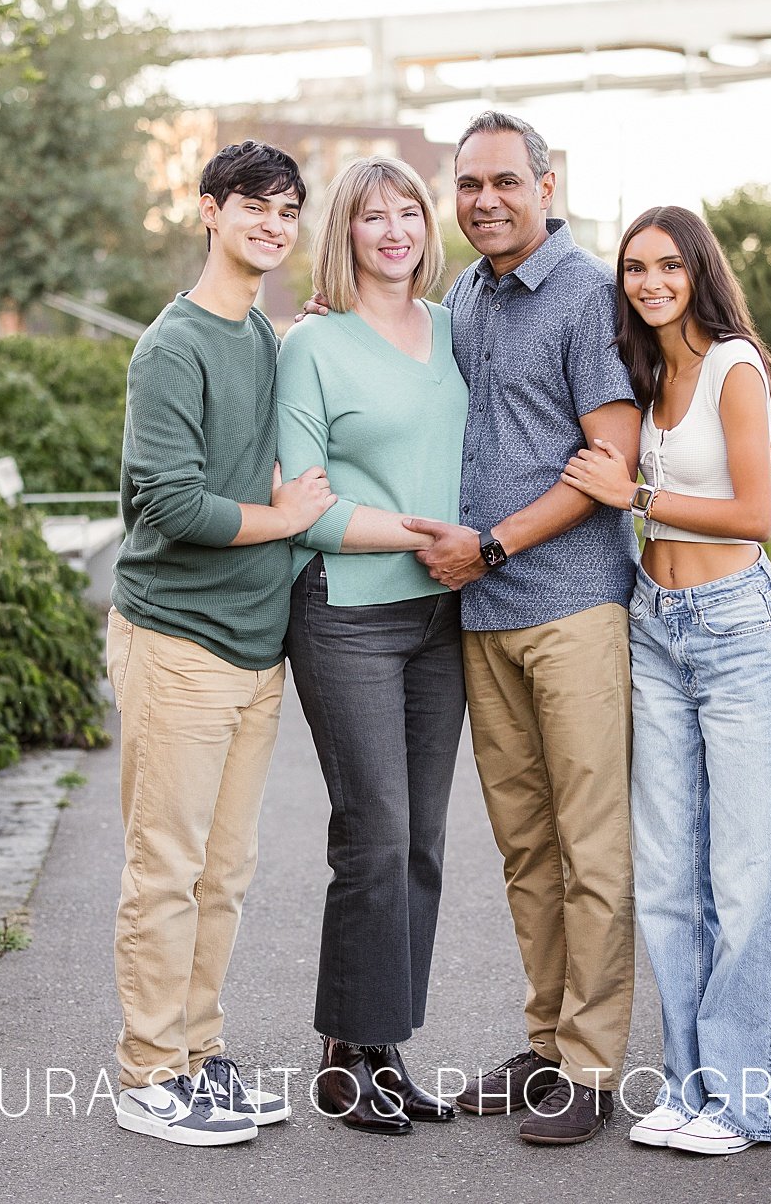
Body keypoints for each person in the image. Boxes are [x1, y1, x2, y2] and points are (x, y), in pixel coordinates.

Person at [389, 111, 643, 1147]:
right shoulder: (463, 297)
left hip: (570, 607)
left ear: (545, 184)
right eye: (468, 185)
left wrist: (488, 546)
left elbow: (606, 466)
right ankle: (543, 1044)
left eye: (502, 180)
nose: (483, 199)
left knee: (590, 846)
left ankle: (589, 1064)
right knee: (525, 846)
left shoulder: (588, 297)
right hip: (481, 617)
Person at [561, 204, 771, 1156]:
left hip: (736, 627)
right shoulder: (648, 369)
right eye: (634, 268)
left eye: (668, 265)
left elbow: (757, 514)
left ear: (699, 271)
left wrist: (638, 497)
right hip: (656, 629)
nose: (650, 282)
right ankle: (689, 1085)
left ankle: (747, 1104)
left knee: (746, 875)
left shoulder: (735, 367)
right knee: (667, 873)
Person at [107, 140, 335, 1148]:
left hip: (253, 648)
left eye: (287, 211)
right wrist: (282, 521)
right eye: (254, 206)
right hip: (178, 643)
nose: (273, 225)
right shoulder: (173, 345)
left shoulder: (261, 338)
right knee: (166, 868)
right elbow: (164, 502)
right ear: (208, 211)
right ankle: (145, 1072)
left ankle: (196, 1054)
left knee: (222, 872)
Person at [276, 156, 470, 1136]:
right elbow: (304, 506)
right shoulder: (311, 344)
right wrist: (425, 538)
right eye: (370, 216)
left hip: (441, 619)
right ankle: (345, 1057)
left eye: (406, 212)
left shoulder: (451, 329)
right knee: (375, 832)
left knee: (424, 841)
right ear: (344, 234)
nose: (391, 230)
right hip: (348, 607)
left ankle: (387, 1044)